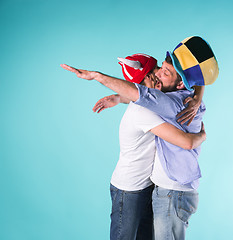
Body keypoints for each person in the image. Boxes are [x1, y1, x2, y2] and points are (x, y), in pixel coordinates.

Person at [61, 36, 219, 239]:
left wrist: (201, 132)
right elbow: (145, 96)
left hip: (164, 189)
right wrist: (117, 95)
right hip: (134, 188)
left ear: (181, 83)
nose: (158, 76)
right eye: (155, 73)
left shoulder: (171, 101)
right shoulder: (164, 102)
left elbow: (151, 100)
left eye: (160, 72)